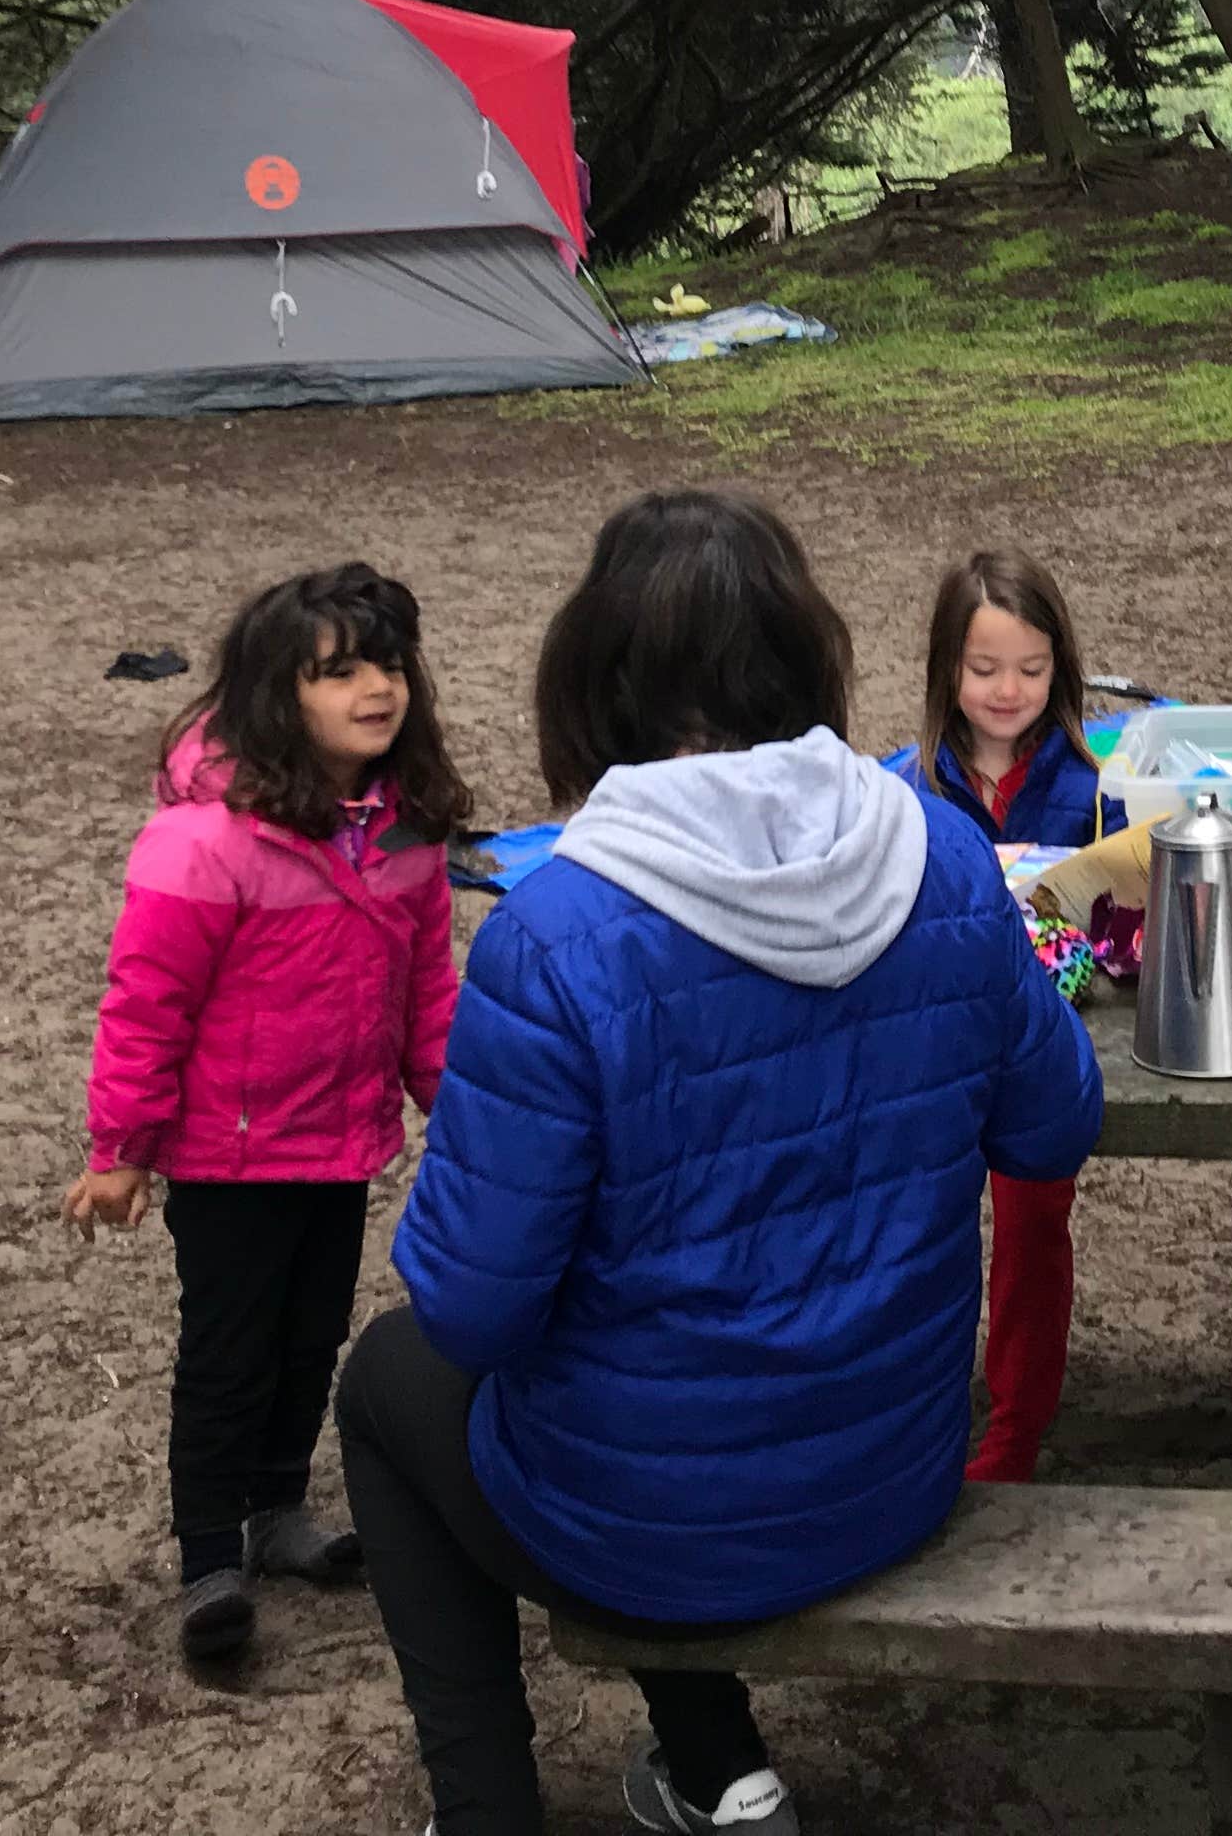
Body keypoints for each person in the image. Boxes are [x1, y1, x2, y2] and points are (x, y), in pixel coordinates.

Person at [343, 489, 1102, 1836]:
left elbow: (470, 1309)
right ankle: (717, 1769)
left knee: (388, 1381)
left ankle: (490, 1810)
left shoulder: (552, 936)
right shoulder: (942, 856)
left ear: (593, 676)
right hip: (895, 1468)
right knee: (632, 1396)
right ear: (809, 654)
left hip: (659, 1524)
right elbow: (1053, 1122)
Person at [63, 562, 469, 1670]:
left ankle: (277, 1510)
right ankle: (210, 1557)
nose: (374, 689)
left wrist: (460, 1107)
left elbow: (428, 990)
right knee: (228, 1353)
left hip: (338, 1142)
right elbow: (145, 1003)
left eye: (388, 665)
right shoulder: (204, 842)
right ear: (276, 694)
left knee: (309, 1336)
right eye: (339, 673)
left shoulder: (407, 831)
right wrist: (120, 1149)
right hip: (228, 1157)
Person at [881, 549, 1104, 1484]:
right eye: (984, 669)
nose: (1008, 691)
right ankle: (905, 1414)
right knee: (913, 1225)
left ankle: (1015, 1431)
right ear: (946, 670)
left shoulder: (1093, 789)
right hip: (935, 1047)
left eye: (1031, 668)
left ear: (1061, 669)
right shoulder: (905, 790)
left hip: (1038, 1049)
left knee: (1032, 1222)